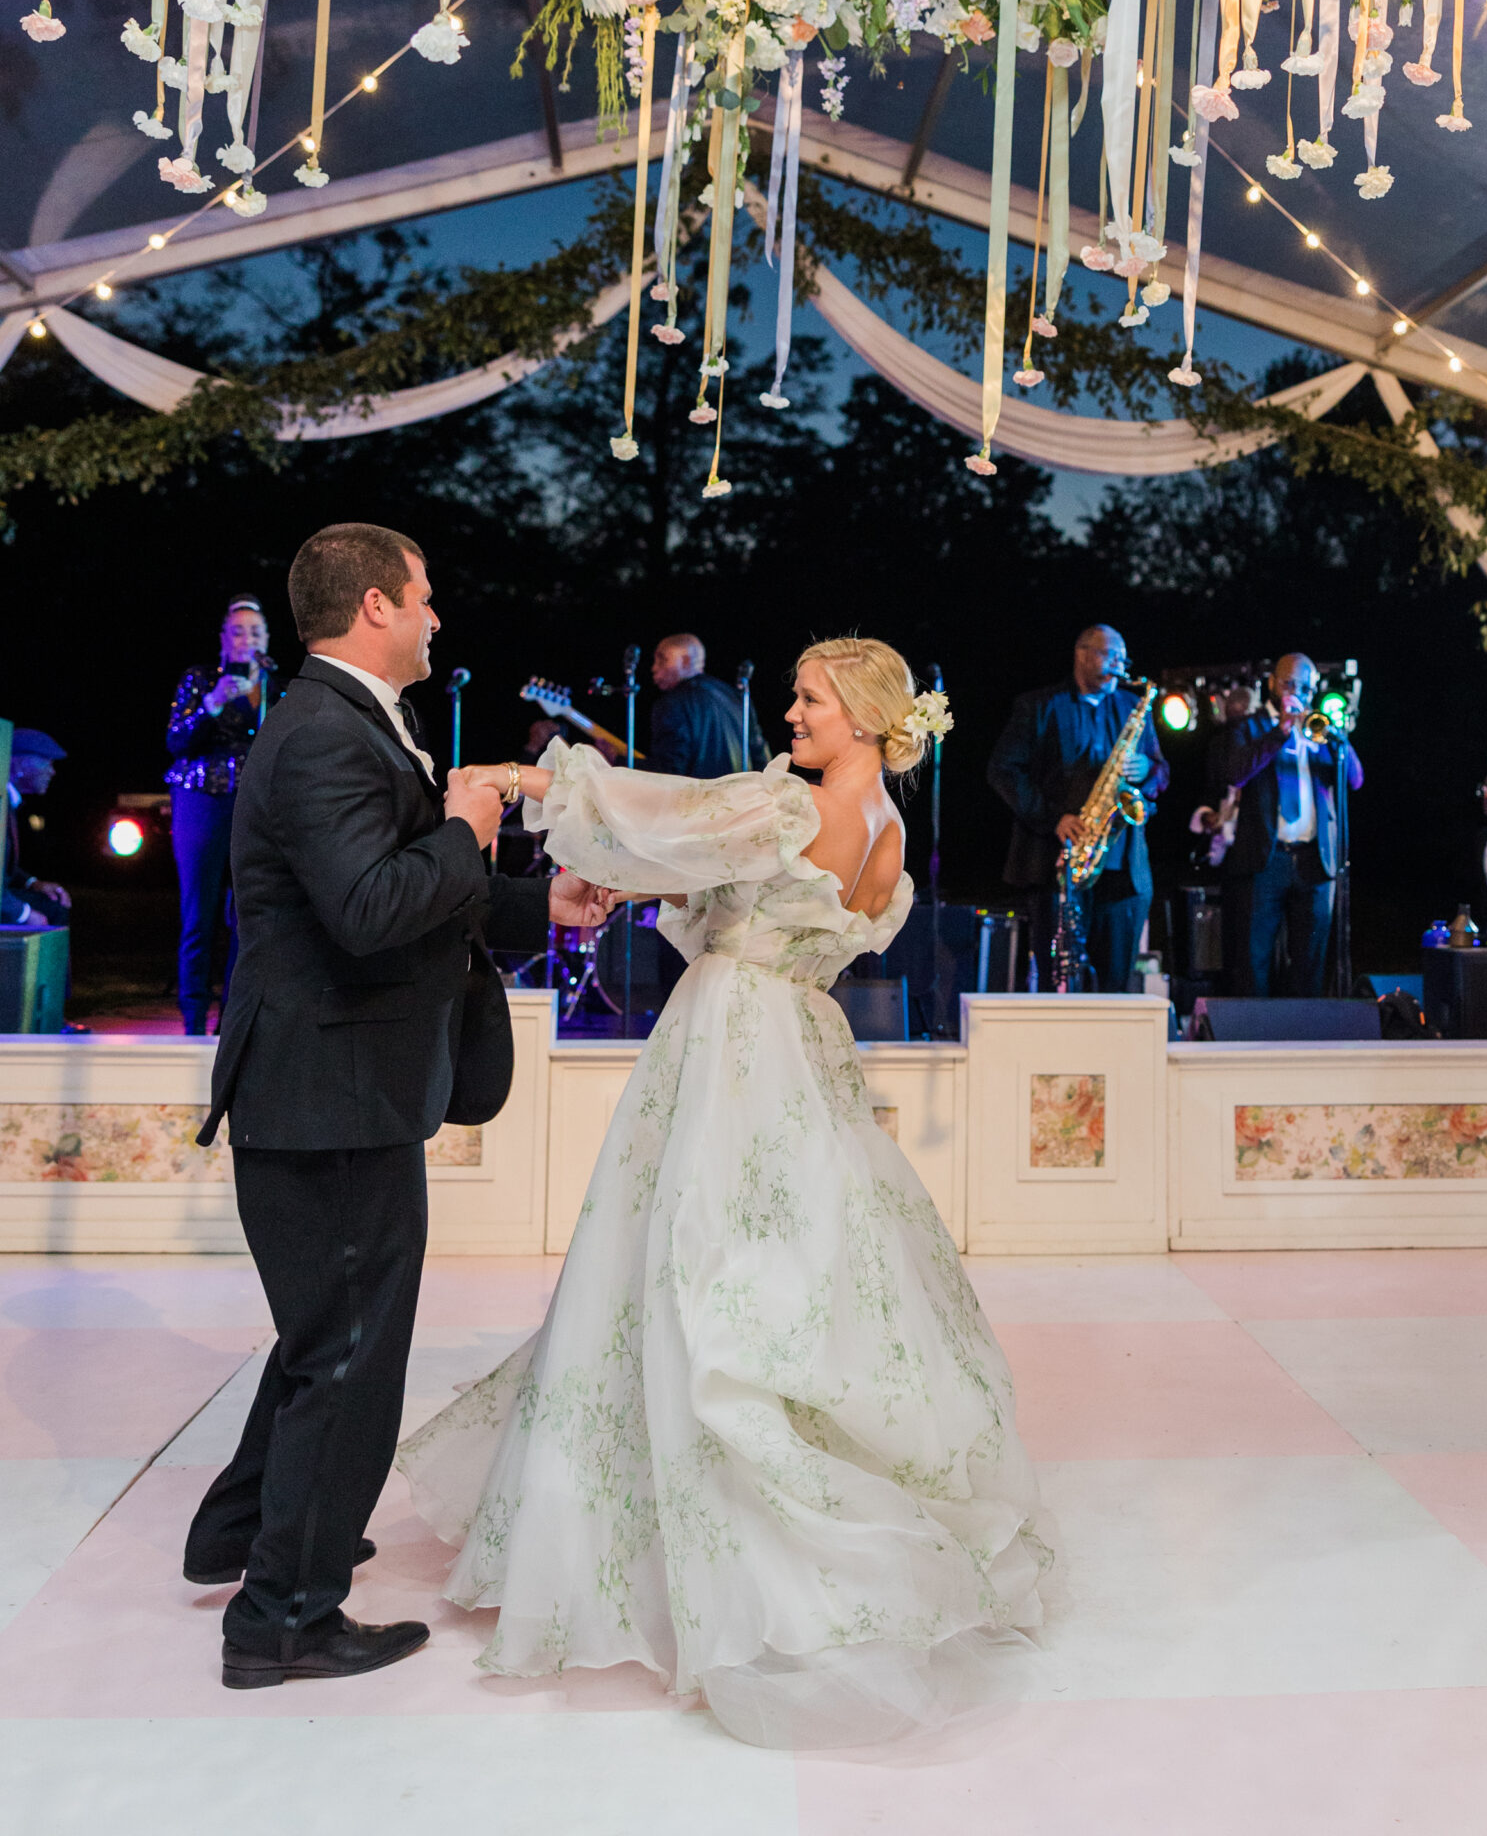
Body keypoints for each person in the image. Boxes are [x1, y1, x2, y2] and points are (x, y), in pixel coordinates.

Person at [399, 638, 1048, 1750]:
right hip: (804, 1041)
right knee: (796, 1270)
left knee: (683, 1262)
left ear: (859, 716)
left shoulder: (785, 810)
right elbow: (708, 868)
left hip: (732, 1041)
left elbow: (661, 811)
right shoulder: (889, 832)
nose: (790, 713)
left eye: (808, 699)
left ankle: (694, 1540)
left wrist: (523, 780)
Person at [182, 523, 605, 1692]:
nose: (435, 617)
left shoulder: (349, 720)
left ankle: (243, 1532)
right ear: (374, 604)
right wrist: (472, 823)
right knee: (349, 1354)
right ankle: (284, 1618)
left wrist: (541, 906)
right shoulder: (322, 730)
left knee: (326, 1334)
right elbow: (374, 906)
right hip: (328, 1096)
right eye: (424, 598)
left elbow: (414, 890)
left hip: (339, 1090)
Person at [987, 625, 1169, 990]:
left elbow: (1161, 773)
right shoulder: (1039, 706)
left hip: (1122, 868)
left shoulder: (1134, 706)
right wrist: (1054, 818)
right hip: (1059, 863)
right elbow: (1002, 771)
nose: (1118, 664)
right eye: (1109, 654)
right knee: (1061, 982)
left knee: (1117, 983)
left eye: (1123, 657)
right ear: (1082, 654)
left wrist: (1147, 770)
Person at [1212, 652, 1363, 997]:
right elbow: (1235, 773)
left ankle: (1305, 1041)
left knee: (1310, 962)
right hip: (1266, 860)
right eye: (1290, 684)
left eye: (1306, 688)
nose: (1298, 693)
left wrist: (1338, 738)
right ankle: (1257, 1041)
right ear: (1272, 684)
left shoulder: (1320, 730)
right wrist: (1279, 732)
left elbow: (1355, 779)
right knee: (1255, 961)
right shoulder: (1248, 727)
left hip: (1315, 861)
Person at [165, 597, 277, 1034]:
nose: (246, 638)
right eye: (238, 630)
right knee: (199, 914)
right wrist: (211, 703)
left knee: (246, 913)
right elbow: (176, 740)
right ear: (224, 639)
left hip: (253, 805)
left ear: (266, 639)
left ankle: (233, 1017)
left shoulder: (273, 686)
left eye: (255, 631)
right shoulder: (199, 680)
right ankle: (193, 1016)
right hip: (202, 799)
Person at [646, 633, 769, 778]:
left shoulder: (672, 703)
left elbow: (670, 771)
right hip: (740, 795)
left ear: (685, 661)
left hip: (699, 797)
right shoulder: (736, 696)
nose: (654, 668)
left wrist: (618, 761)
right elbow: (762, 758)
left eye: (662, 660)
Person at [2, 730, 71, 928]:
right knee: (50, 912)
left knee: (53, 902)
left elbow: (2, 867)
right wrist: (23, 914)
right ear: (22, 764)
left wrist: (32, 883)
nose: (52, 771)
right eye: (47, 762)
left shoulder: (9, 802)